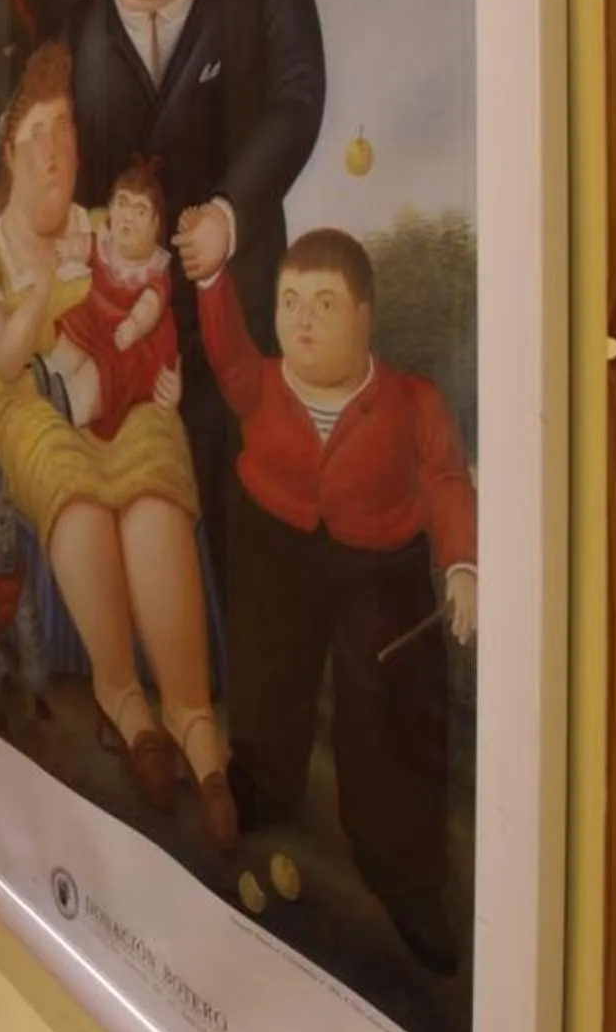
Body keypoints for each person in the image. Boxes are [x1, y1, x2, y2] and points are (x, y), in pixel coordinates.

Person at [0, 44, 237, 850]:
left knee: (152, 468)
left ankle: (193, 722)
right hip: (25, 400)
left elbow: (150, 296)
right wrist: (43, 277)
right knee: (73, 485)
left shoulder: (102, 225)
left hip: (114, 389)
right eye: (38, 134)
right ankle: (125, 702)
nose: (56, 151)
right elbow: (6, 355)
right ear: (12, 154)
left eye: (66, 132)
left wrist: (169, 379)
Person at [63, 0, 328, 569]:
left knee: (251, 540)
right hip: (126, 347)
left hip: (238, 335)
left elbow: (296, 98)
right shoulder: (77, 38)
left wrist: (231, 210)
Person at [187, 225, 476, 972]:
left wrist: (464, 566)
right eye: (289, 302)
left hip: (379, 559)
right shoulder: (265, 382)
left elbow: (446, 481)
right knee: (269, 673)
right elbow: (228, 355)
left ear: (364, 315)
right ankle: (265, 785)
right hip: (274, 535)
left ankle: (405, 877)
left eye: (323, 302)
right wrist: (216, 279)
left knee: (390, 706)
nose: (303, 319)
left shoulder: (414, 402)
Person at [43, 158, 177, 444]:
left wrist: (134, 326)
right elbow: (84, 245)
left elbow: (150, 306)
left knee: (104, 370)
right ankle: (54, 371)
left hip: (129, 341)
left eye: (140, 211)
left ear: (157, 228)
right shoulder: (105, 246)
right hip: (96, 320)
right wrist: (66, 250)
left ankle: (75, 403)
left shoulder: (153, 271)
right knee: (71, 334)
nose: (127, 216)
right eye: (122, 203)